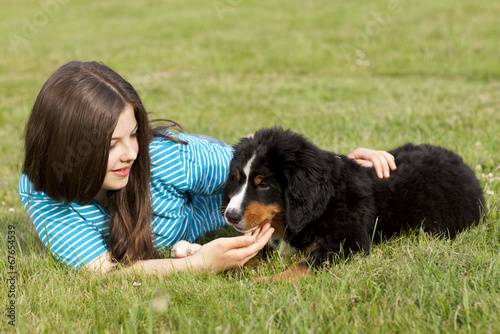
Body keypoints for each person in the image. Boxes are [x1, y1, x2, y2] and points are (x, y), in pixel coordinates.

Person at [19, 61, 397, 275]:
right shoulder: (45, 194)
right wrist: (200, 264)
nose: (129, 153)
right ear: (67, 149)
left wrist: (341, 163)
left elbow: (262, 168)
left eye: (134, 134)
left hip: (218, 165)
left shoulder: (166, 159)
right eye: (111, 143)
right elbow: (107, 275)